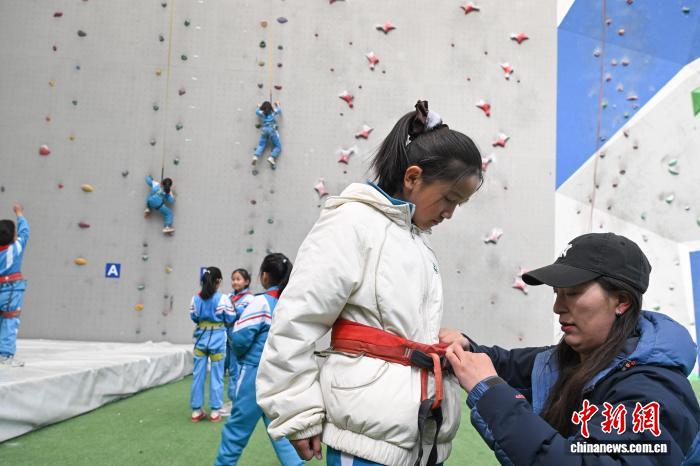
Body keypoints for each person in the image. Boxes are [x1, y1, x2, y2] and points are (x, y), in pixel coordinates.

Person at [256, 100, 484, 466]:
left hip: (420, 439)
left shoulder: (416, 240)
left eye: (460, 204)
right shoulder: (350, 223)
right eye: (449, 199)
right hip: (365, 443)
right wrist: (296, 409)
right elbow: (296, 320)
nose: (450, 213)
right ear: (412, 177)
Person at [442, 232, 700, 465]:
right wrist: (467, 348)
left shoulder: (650, 393)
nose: (557, 307)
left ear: (622, 301)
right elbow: (510, 365)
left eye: (573, 293)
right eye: (557, 292)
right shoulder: (579, 357)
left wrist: (491, 392)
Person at [215, 254, 303, 466]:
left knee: (236, 430)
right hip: (282, 374)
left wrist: (242, 357)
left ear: (264, 276)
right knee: (281, 430)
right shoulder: (291, 303)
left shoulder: (260, 302)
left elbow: (240, 337)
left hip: (255, 374)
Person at [189, 267, 234, 422]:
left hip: (200, 339)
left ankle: (196, 411)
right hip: (217, 339)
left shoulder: (195, 299)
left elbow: (194, 317)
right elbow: (230, 317)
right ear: (218, 281)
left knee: (198, 375)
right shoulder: (223, 299)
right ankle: (215, 411)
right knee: (217, 375)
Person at [220, 268, 255, 417]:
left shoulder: (250, 299)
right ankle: (233, 400)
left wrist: (229, 311)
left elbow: (238, 314)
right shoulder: (228, 297)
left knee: (237, 371)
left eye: (238, 279)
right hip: (226, 338)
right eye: (233, 279)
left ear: (246, 281)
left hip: (240, 340)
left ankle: (236, 403)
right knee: (229, 370)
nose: (235, 282)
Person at [0, 203, 29, 367]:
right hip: (11, 289)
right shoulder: (16, 247)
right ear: (13, 237)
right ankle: (5, 356)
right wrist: (19, 213)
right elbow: (25, 232)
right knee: (10, 321)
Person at [252, 101, 282, 169]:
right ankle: (272, 157)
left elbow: (257, 111)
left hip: (264, 130)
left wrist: (259, 106)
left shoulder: (262, 113)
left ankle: (255, 156)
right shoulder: (273, 112)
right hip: (271, 130)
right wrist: (278, 104)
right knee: (278, 146)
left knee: (261, 145)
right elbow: (279, 110)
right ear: (270, 107)